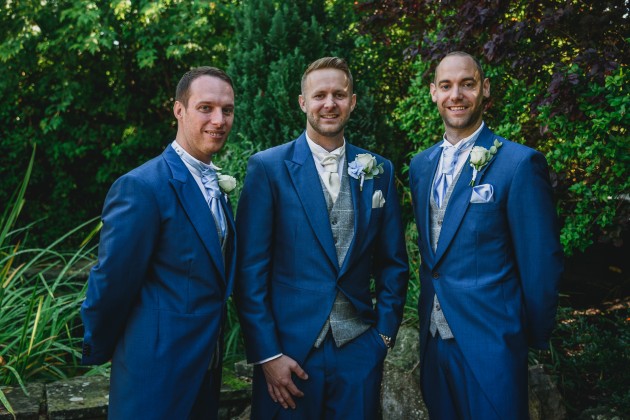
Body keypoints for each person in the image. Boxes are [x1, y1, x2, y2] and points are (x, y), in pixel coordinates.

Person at [234, 56, 409, 419]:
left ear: (352, 101)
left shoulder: (379, 170)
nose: (329, 103)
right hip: (288, 355)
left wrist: (383, 338)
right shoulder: (267, 168)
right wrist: (268, 355)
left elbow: (393, 262)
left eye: (339, 94)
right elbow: (249, 271)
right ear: (303, 102)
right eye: (319, 95)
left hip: (359, 351)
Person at [408, 51, 564, 419]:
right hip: (434, 346)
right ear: (433, 92)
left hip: (493, 346)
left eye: (467, 84)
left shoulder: (518, 163)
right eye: (446, 86)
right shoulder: (420, 166)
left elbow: (541, 262)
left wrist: (526, 339)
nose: (456, 95)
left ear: (485, 89)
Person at [80, 66, 237, 419]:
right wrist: (112, 350)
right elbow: (112, 281)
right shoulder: (142, 186)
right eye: (205, 107)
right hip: (153, 374)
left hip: (205, 369)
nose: (219, 119)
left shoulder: (215, 187)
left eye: (227, 110)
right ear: (178, 110)